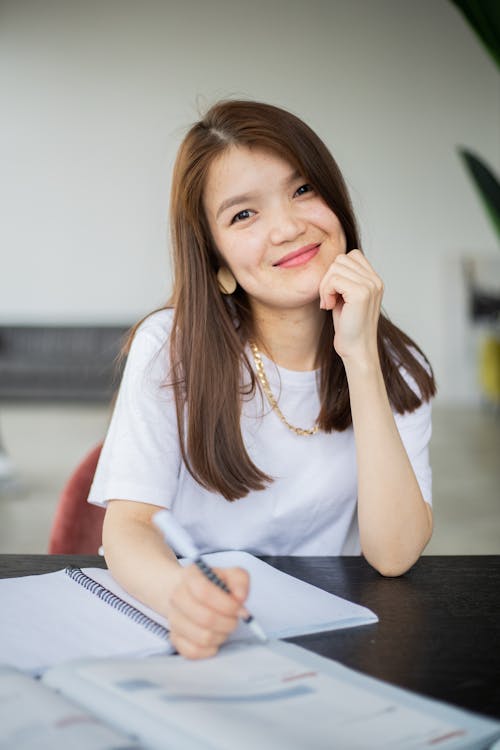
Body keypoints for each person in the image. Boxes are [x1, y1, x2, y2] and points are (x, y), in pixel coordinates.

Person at [88, 99, 436, 659]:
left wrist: (362, 358)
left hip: (333, 639)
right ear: (218, 261)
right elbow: (127, 528)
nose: (288, 227)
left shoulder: (397, 365)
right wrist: (183, 596)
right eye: (243, 215)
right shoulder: (169, 348)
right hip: (200, 633)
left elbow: (394, 555)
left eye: (303, 190)